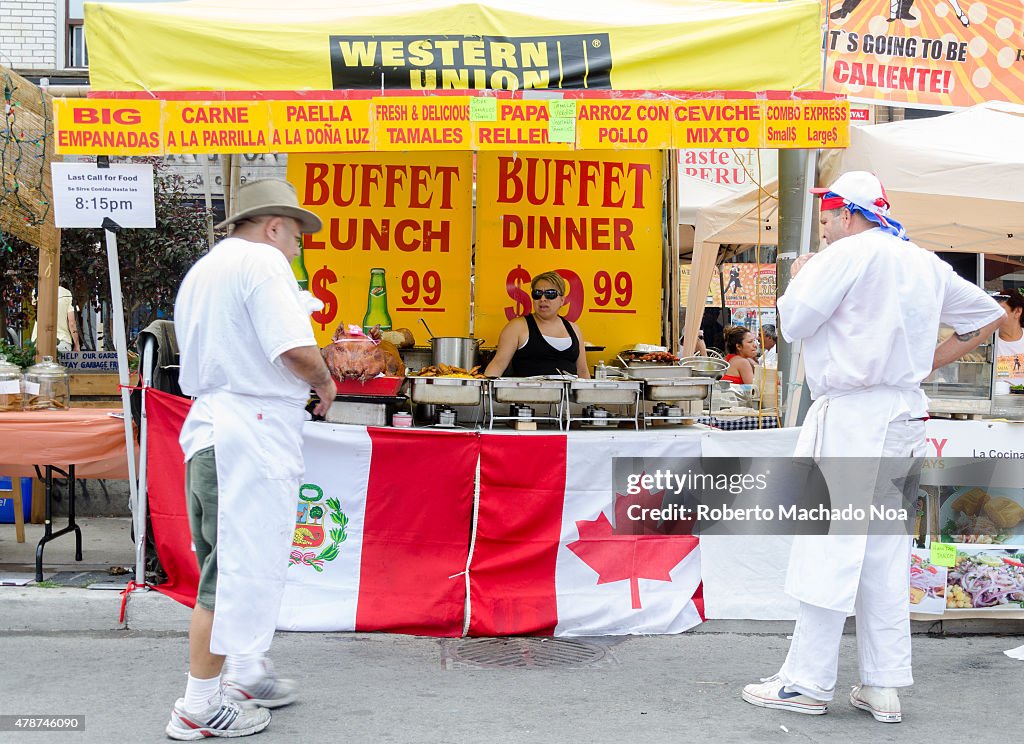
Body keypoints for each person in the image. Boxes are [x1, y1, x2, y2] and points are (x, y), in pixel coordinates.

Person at [741, 172, 1004, 723]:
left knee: (828, 545)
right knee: (882, 550)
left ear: (848, 212)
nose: (826, 224)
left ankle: (806, 683)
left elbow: (792, 323)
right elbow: (986, 317)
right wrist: (927, 362)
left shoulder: (846, 254)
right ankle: (883, 684)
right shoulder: (922, 260)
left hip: (854, 415)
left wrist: (800, 275)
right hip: (902, 411)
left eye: (829, 214)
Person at [166, 179, 337, 740]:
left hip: (218, 426)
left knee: (236, 564)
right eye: (295, 238)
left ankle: (243, 672)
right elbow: (290, 348)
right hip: (248, 431)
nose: (296, 249)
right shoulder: (264, 264)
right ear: (273, 226)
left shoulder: (205, 270)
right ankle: (197, 706)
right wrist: (324, 378)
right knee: (233, 573)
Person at [484, 271, 590, 378]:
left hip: (569, 393)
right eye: (537, 294)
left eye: (550, 294)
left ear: (562, 300)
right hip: (529, 393)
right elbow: (498, 364)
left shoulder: (574, 329)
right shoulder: (517, 327)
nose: (543, 299)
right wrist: (486, 392)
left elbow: (583, 371)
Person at [30, 285, 80, 353]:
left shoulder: (36, 291)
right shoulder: (68, 294)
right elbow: (72, 323)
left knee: (40, 363)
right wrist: (77, 345)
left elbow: (36, 313)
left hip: (38, 341)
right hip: (62, 342)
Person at [992, 288, 1024, 394]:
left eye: (1001, 309)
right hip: (997, 404)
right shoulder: (988, 342)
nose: (995, 315)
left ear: (1018, 311)